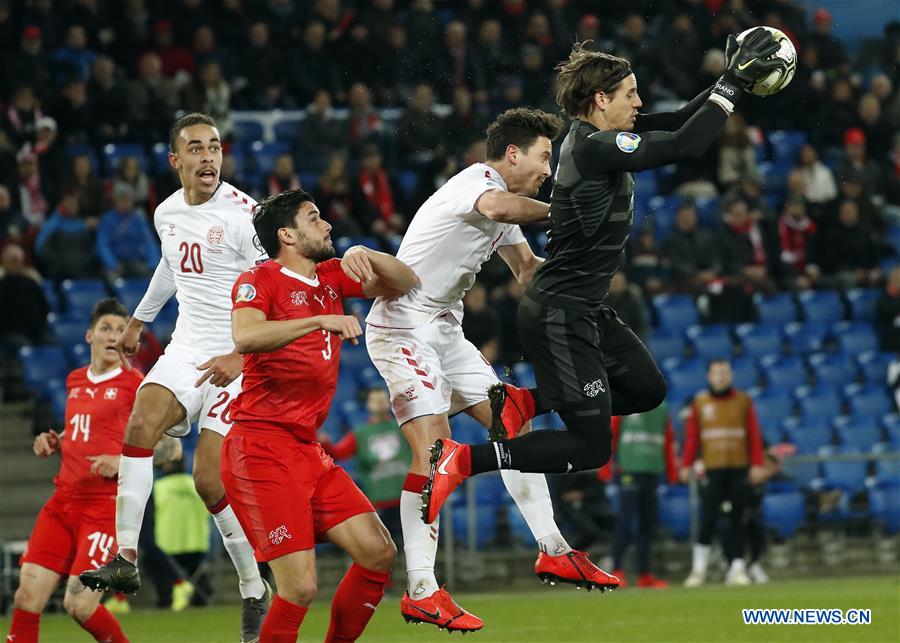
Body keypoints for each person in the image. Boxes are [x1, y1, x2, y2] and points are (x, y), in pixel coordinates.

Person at [419, 31, 782, 546]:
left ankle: (527, 401)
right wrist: (735, 82)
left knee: (648, 389)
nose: (639, 103)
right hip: (559, 313)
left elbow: (681, 121)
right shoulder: (592, 148)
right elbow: (689, 143)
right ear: (601, 100)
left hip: (583, 307)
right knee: (592, 448)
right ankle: (465, 459)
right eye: (631, 94)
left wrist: (728, 82)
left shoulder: (599, 138)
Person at [366, 107, 607, 632]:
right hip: (402, 328)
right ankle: (421, 588)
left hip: (445, 333)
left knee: (511, 426)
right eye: (544, 158)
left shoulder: (500, 209)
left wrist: (587, 278)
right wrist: (565, 209)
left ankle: (553, 547)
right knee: (433, 451)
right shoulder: (478, 183)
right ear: (513, 154)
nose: (547, 169)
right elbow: (499, 208)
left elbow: (527, 271)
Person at [79, 113, 272, 643]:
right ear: (176, 160)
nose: (208, 157)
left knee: (207, 481)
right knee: (140, 427)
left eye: (214, 147)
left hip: (235, 356)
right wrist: (141, 319)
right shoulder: (165, 212)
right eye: (196, 148)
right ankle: (125, 556)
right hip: (187, 348)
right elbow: (170, 266)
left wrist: (243, 352)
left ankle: (254, 588)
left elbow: (274, 282)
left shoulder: (244, 215)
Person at [223, 188, 417, 642]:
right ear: (286, 235)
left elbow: (406, 280)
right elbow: (246, 336)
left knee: (377, 551)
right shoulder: (260, 279)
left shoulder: (330, 276)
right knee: (300, 587)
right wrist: (319, 321)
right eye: (314, 219)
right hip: (260, 448)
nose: (327, 225)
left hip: (306, 450)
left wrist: (365, 252)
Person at [5, 299, 143, 643]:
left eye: (119, 330)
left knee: (79, 604)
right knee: (26, 597)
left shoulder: (134, 384)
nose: (113, 336)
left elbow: (166, 446)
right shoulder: (75, 380)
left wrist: (119, 460)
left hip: (103, 507)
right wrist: (57, 440)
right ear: (89, 335)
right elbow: (82, 429)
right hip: (63, 502)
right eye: (106, 329)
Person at [680, 359, 765, 587]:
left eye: (725, 372)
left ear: (731, 375)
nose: (721, 377)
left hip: (739, 468)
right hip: (712, 469)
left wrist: (757, 463)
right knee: (708, 518)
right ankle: (698, 571)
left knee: (738, 519)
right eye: (716, 373)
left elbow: (753, 434)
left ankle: (737, 570)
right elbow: (692, 437)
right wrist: (686, 464)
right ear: (709, 376)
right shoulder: (700, 402)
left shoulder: (743, 401)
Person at [320, 387, 411, 545]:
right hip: (379, 501)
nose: (379, 403)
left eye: (382, 399)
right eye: (375, 400)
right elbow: (338, 453)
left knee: (412, 545)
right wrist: (325, 442)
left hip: (406, 498)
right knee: (384, 548)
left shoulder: (403, 426)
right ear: (368, 405)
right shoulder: (360, 434)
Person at [602, 402, 678, 589]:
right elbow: (610, 435)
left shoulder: (661, 409)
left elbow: (667, 440)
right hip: (629, 470)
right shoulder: (624, 406)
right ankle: (617, 571)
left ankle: (645, 574)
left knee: (647, 523)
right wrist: (605, 468)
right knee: (625, 522)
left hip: (652, 472)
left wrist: (671, 471)